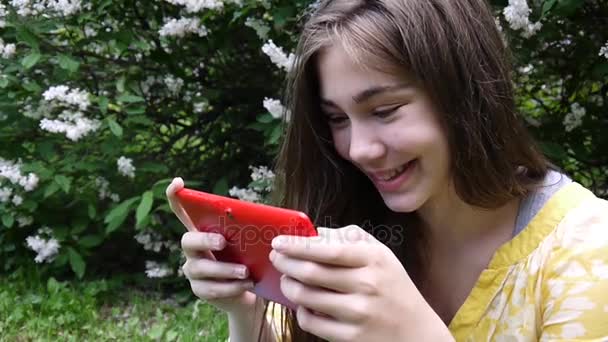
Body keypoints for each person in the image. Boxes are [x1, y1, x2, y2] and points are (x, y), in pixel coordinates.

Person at [166, 0, 608, 341]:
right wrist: (247, 312)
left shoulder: (586, 249)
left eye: (385, 110)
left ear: (465, 95)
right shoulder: (352, 223)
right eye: (337, 119)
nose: (358, 149)